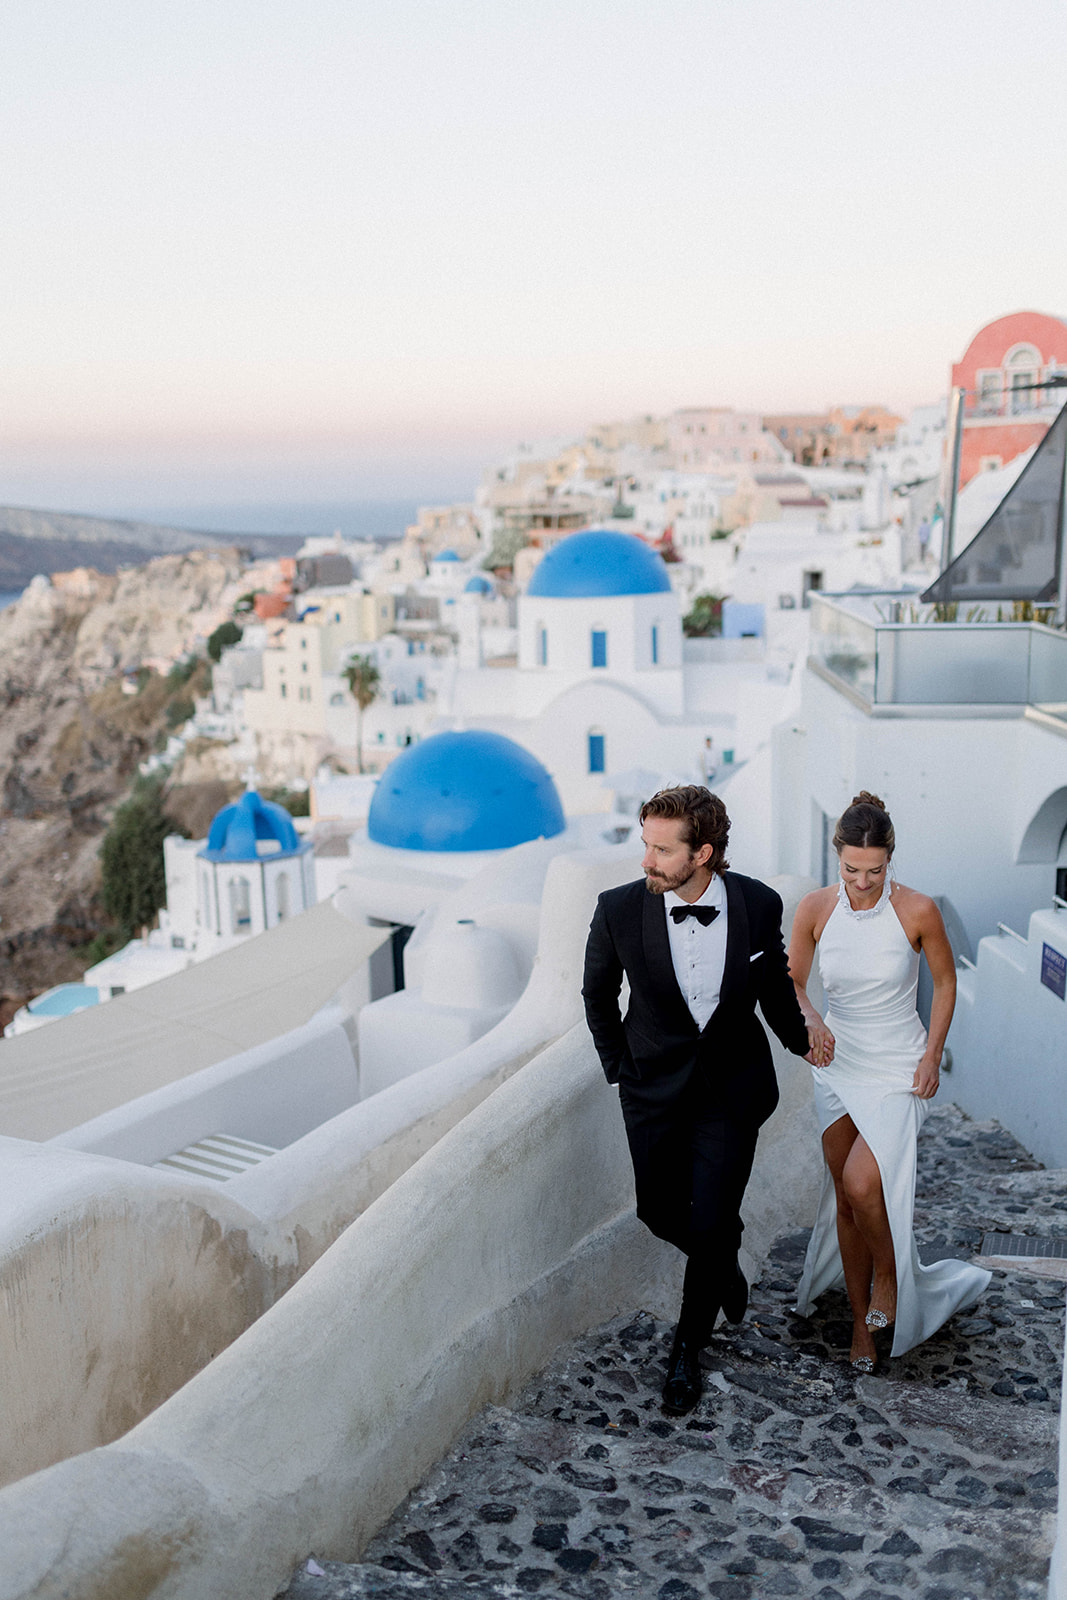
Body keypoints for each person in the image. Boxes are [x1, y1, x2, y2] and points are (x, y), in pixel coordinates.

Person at [582, 785, 813, 1414]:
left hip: (731, 1089)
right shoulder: (618, 910)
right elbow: (597, 994)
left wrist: (803, 1042)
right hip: (652, 1087)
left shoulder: (760, 904)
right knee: (658, 1212)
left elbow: (773, 985)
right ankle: (722, 1262)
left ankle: (687, 1349)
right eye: (646, 846)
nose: (647, 861)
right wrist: (619, 1069)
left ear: (703, 852)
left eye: (662, 850)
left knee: (709, 1221)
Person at [789, 792, 991, 1371]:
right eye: (851, 870)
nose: (862, 882)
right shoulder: (813, 909)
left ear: (890, 860)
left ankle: (889, 1274)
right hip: (837, 1065)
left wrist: (932, 1054)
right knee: (846, 1203)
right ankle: (861, 1324)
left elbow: (946, 985)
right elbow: (794, 982)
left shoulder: (919, 910)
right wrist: (812, 1017)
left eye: (874, 871)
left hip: (900, 1064)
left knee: (860, 1183)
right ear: (838, 859)